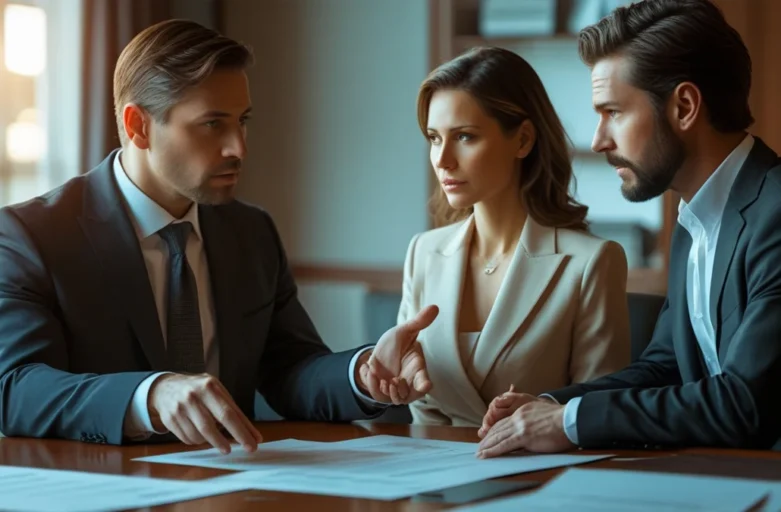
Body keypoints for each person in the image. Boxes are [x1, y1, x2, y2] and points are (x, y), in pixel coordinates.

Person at [0, 19, 434, 452]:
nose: (238, 148)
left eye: (242, 121)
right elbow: (15, 388)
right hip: (99, 487)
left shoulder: (251, 231)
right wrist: (149, 395)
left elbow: (290, 368)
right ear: (138, 126)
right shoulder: (32, 235)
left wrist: (361, 374)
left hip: (233, 484)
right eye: (212, 124)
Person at [477, 0, 781, 457]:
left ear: (684, 106)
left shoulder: (775, 211)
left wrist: (569, 423)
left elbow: (743, 404)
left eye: (613, 112)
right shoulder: (694, 218)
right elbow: (666, 366)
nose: (599, 139)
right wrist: (549, 405)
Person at [369, 46, 631, 427]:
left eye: (464, 137)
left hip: (542, 477)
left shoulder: (591, 263)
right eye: (434, 138)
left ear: (523, 140)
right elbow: (421, 406)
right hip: (434, 474)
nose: (442, 160)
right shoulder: (424, 252)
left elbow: (593, 415)